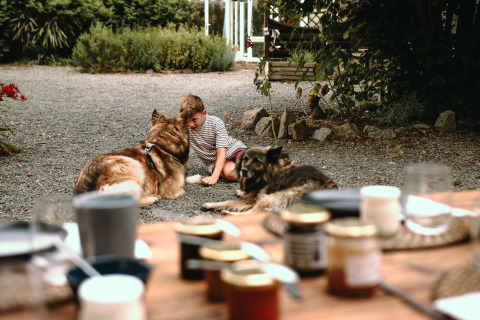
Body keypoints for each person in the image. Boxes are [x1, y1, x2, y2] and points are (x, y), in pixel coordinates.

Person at [179, 94, 247, 186]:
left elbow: (221, 152)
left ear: (204, 113)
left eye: (194, 119)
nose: (191, 124)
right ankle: (255, 177)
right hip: (216, 162)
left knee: (245, 164)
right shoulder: (185, 130)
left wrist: (214, 176)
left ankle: (263, 172)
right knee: (229, 173)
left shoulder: (215, 123)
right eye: (187, 121)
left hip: (234, 150)